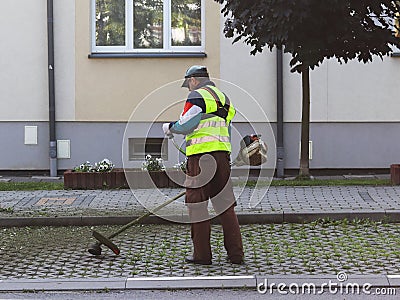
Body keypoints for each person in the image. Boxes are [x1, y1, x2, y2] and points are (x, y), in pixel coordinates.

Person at [162, 65, 244, 265]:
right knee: (225, 206)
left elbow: (188, 123)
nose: (188, 87)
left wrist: (171, 127)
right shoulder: (224, 98)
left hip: (200, 158)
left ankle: (202, 255)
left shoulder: (197, 96)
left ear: (194, 80)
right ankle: (236, 254)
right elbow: (226, 129)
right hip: (222, 156)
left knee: (197, 205)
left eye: (188, 83)